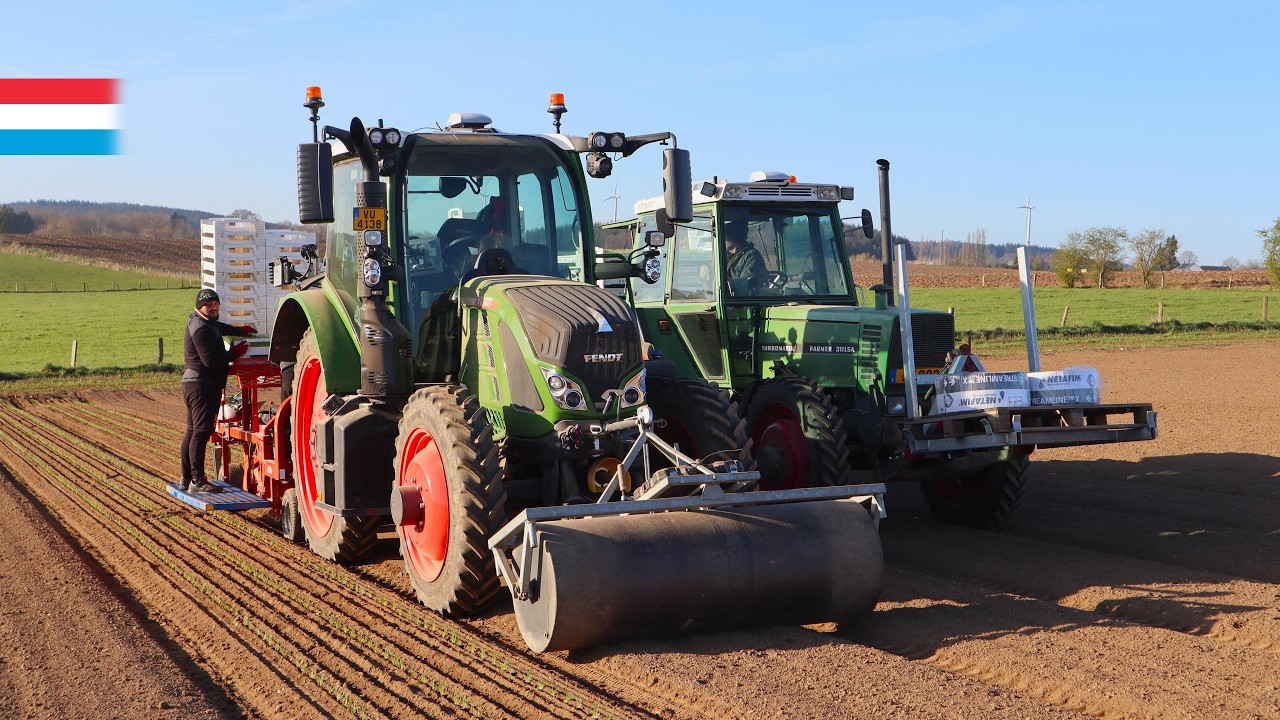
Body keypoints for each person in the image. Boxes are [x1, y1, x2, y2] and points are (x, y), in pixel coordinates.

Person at [180, 288, 256, 494]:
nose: (213, 307)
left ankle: (186, 478)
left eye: (216, 304)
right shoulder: (201, 328)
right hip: (202, 385)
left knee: (191, 431)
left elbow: (219, 327)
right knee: (201, 432)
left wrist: (240, 330)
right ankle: (197, 481)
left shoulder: (203, 321)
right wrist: (234, 353)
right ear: (199, 306)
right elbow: (211, 360)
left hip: (193, 383)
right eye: (209, 304)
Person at [722, 219, 766, 295]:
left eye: (724, 236)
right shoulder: (725, 256)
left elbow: (744, 286)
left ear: (734, 237)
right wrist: (704, 268)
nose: (722, 240)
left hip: (744, 301)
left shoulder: (751, 256)